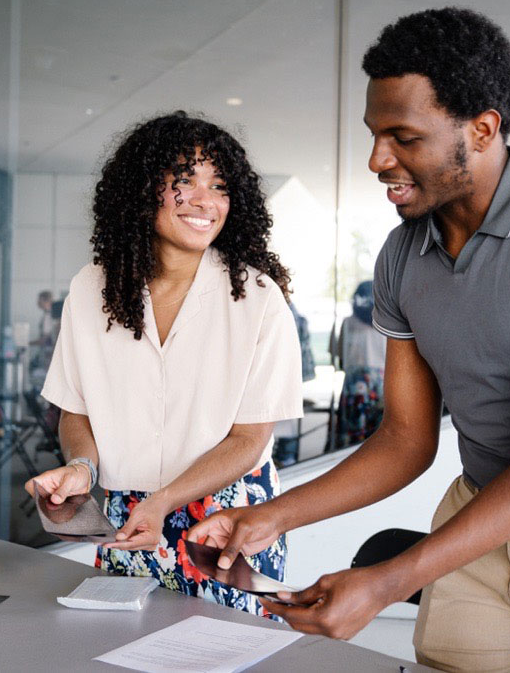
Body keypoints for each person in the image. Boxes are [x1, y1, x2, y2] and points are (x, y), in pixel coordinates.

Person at [188, 7, 510, 671]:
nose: (377, 158)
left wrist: (390, 579)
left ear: (481, 130)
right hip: (480, 511)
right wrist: (271, 518)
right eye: (373, 134)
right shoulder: (401, 255)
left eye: (403, 136)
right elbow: (405, 439)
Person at [25, 111, 302, 618]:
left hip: (224, 521)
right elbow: (77, 410)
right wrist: (81, 469)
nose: (204, 200)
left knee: (219, 654)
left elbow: (248, 440)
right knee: (122, 649)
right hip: (129, 520)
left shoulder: (259, 298)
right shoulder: (91, 288)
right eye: (183, 181)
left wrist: (164, 500)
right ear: (142, 190)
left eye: (219, 186)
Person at [332, 280, 386, 448]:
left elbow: (339, 358)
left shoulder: (348, 323)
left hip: (354, 385)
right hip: (382, 384)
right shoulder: (388, 323)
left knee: (353, 438)